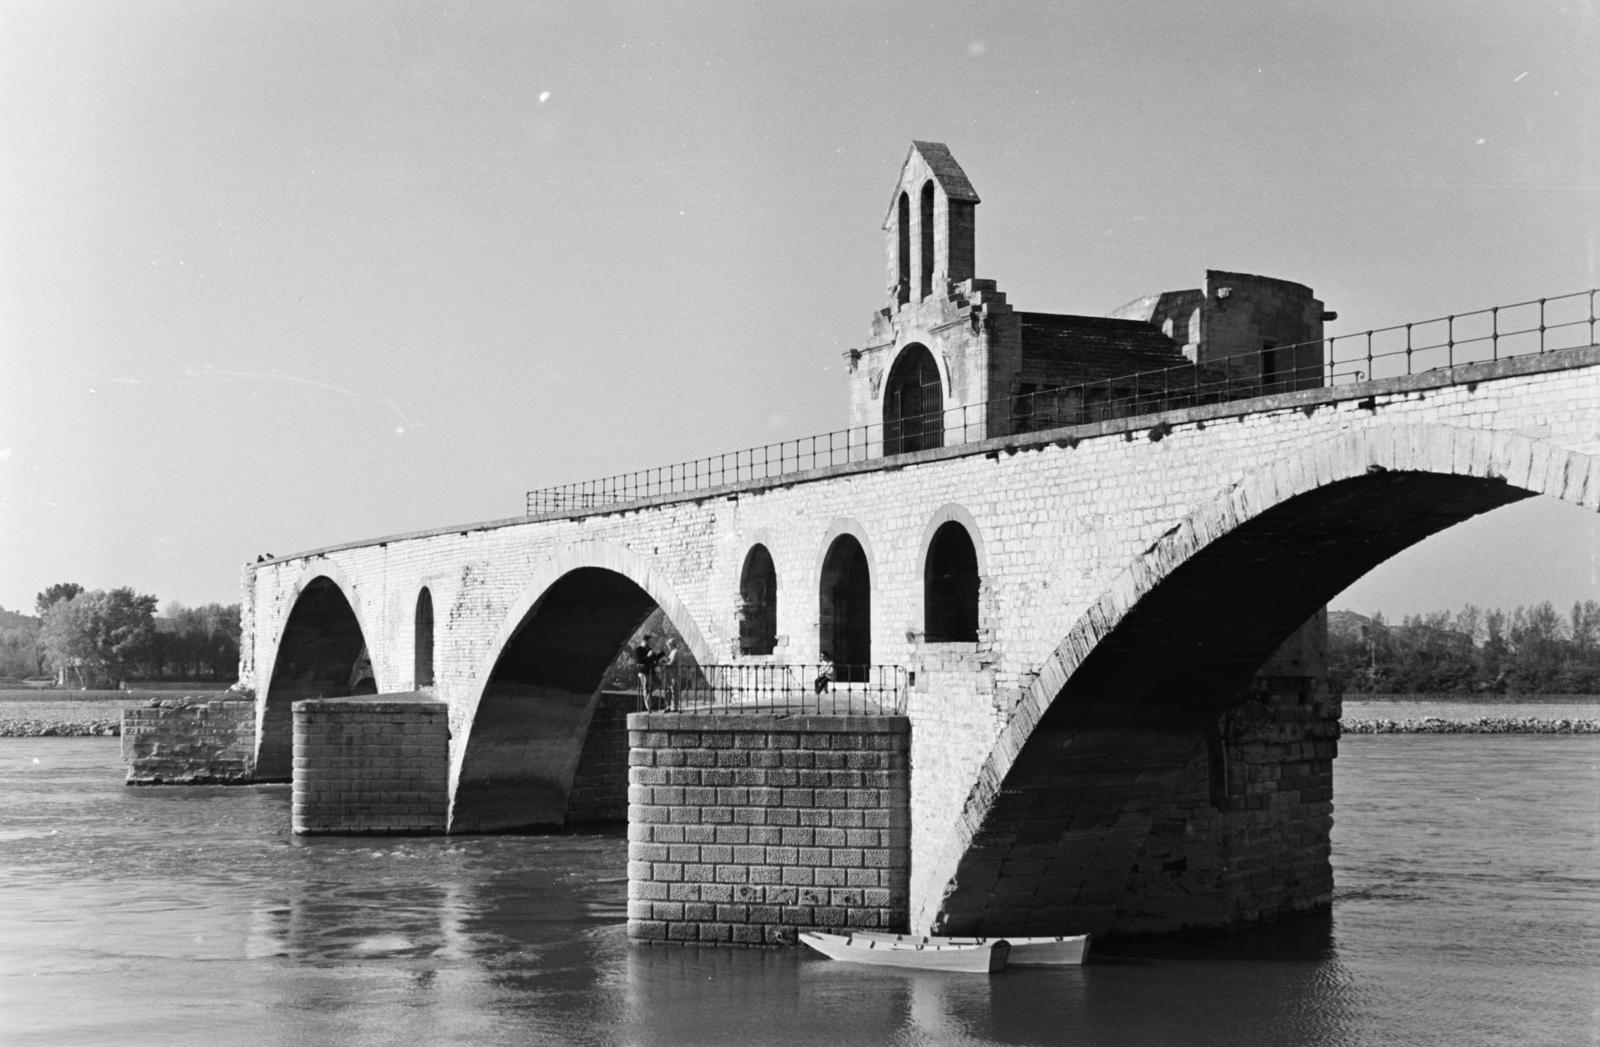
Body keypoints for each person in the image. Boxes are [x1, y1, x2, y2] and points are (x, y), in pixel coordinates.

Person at [633, 633, 662, 711]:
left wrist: (662, 653)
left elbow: (655, 658)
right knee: (646, 688)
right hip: (643, 671)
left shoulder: (649, 649)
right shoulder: (638, 649)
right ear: (645, 641)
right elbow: (639, 661)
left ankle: (650, 691)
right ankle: (648, 708)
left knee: (659, 683)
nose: (650, 643)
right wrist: (648, 656)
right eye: (649, 641)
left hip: (651, 671)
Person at [660, 637, 682, 710]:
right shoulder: (672, 652)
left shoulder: (675, 652)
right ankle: (669, 706)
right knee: (670, 690)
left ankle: (675, 706)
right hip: (670, 674)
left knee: (675, 690)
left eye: (668, 645)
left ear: (671, 644)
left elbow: (671, 663)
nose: (668, 647)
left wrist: (664, 664)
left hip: (674, 674)